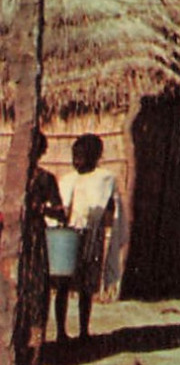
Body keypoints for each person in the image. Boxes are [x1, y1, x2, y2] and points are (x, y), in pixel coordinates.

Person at [53, 134, 120, 345]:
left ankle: (83, 330)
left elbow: (110, 209)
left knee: (86, 286)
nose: (77, 161)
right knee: (63, 285)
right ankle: (61, 332)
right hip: (67, 236)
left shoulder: (104, 179)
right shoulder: (67, 179)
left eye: (81, 157)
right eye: (74, 156)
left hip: (91, 236)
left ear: (94, 157)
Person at [16, 132, 64, 365]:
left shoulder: (46, 179)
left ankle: (36, 358)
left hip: (35, 243)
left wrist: (41, 208)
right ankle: (16, 352)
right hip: (14, 244)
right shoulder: (13, 177)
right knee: (14, 298)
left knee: (37, 298)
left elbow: (60, 212)